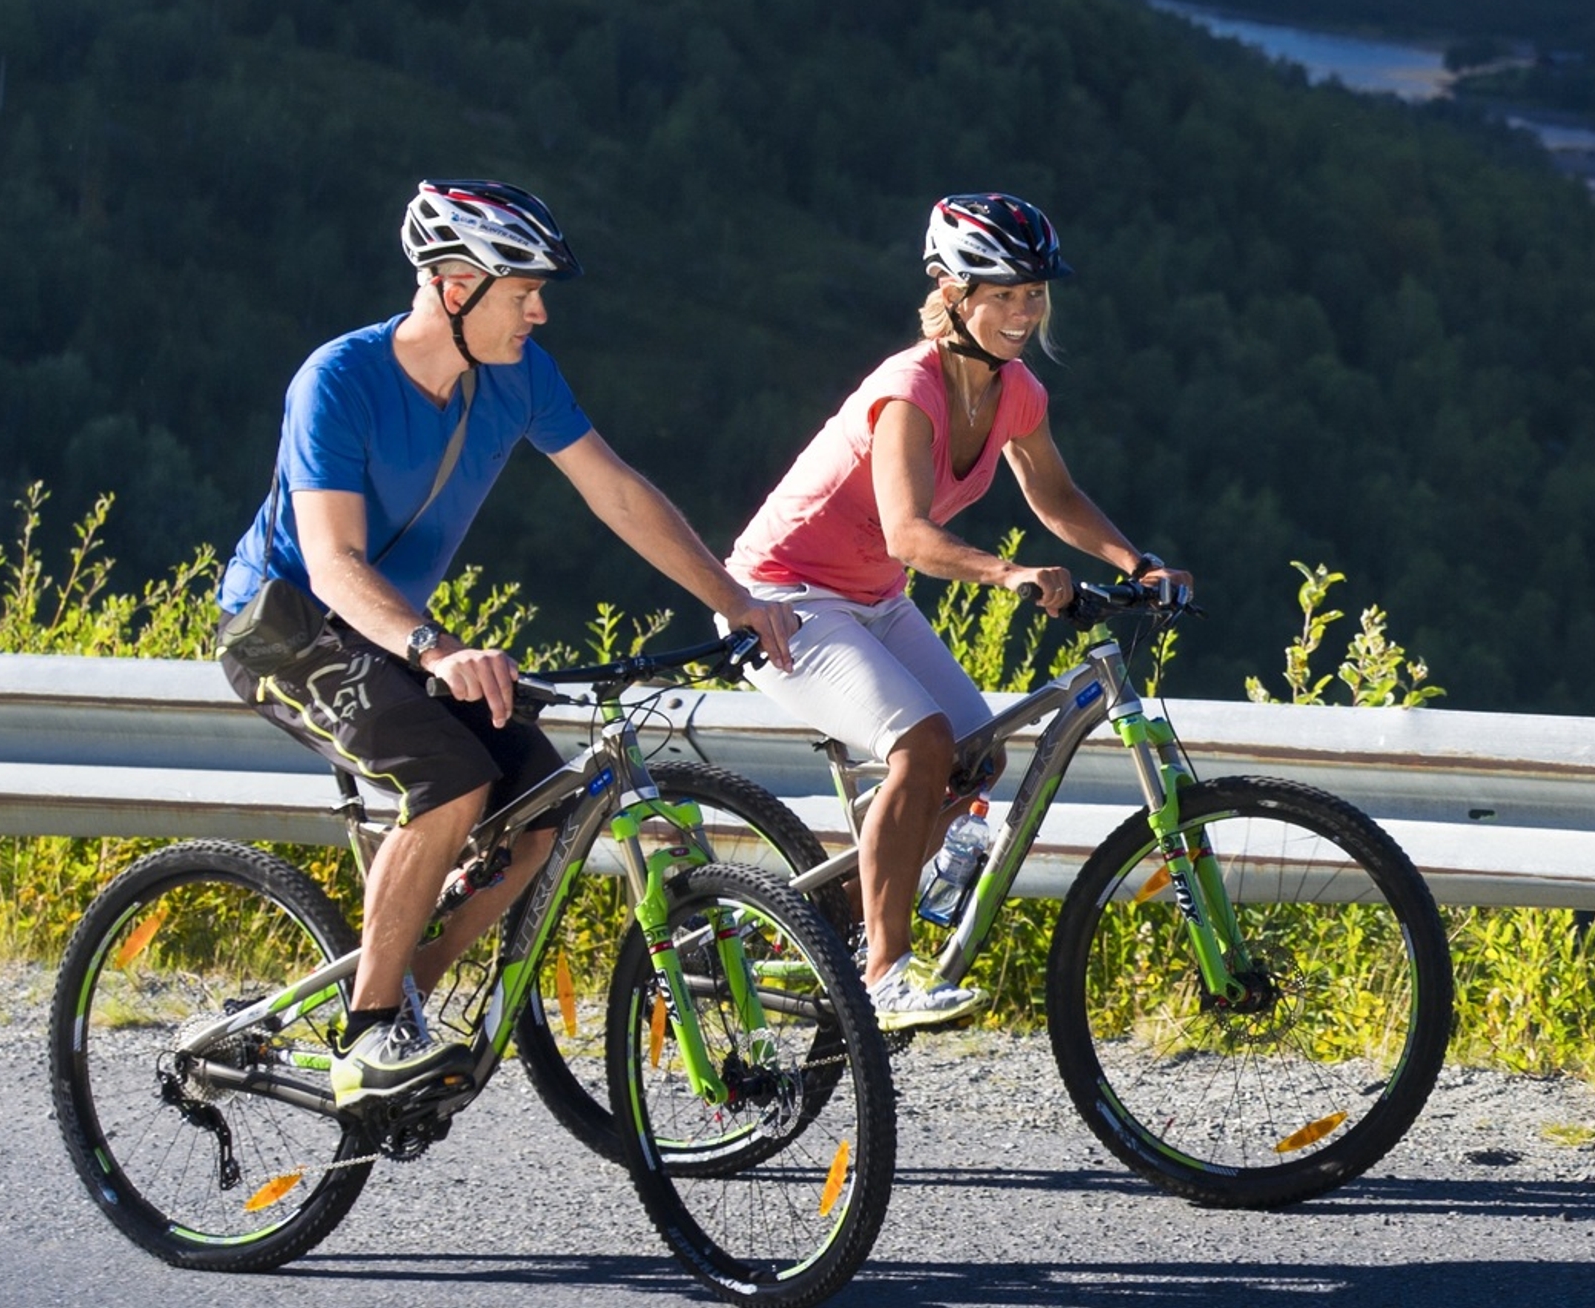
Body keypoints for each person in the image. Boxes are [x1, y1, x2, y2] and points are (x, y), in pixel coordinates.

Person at [216, 181, 801, 1112]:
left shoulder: (520, 377)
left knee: (540, 808)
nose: (540, 308)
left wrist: (733, 600)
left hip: (397, 638)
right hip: (284, 626)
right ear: (454, 287)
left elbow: (616, 492)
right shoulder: (339, 380)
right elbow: (332, 564)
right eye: (521, 288)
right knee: (447, 778)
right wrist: (436, 648)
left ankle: (404, 982)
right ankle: (368, 1039)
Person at [728, 192, 1166, 1029]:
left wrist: (1135, 563)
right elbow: (908, 535)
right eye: (1002, 293)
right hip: (780, 596)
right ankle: (887, 971)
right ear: (951, 291)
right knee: (923, 745)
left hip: (869, 599)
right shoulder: (909, 389)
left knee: (975, 754)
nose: (1023, 312)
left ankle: (843, 939)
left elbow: (1055, 492)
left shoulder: (1016, 391)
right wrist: (1008, 575)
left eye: (1034, 293)